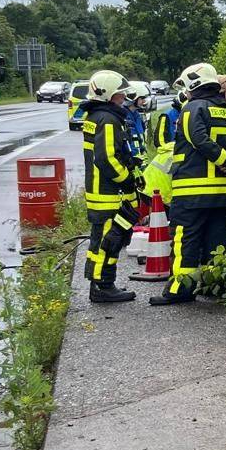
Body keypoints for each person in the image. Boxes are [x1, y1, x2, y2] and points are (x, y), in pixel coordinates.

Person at [152, 63, 226, 306]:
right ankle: (214, 287)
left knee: (186, 241)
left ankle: (180, 290)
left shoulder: (191, 109)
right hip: (225, 194)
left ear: (192, 85)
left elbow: (198, 139)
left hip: (192, 194)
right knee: (217, 243)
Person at [82, 70, 142, 303]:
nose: (122, 99)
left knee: (102, 241)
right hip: (108, 194)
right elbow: (106, 158)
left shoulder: (97, 117)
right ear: (107, 95)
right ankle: (102, 286)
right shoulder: (107, 120)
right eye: (119, 95)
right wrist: (127, 177)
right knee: (109, 241)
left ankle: (102, 283)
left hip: (101, 192)